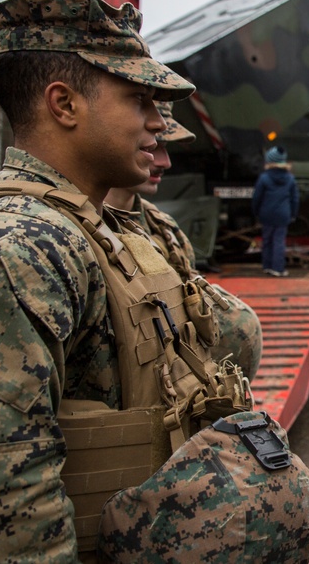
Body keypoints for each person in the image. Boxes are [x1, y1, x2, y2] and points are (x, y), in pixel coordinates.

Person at [0, 0, 309, 562]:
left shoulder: (86, 230)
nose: (158, 123)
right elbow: (1, 514)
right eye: (139, 99)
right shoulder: (13, 247)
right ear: (64, 103)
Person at [104, 101, 264, 379]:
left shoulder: (164, 229)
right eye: (152, 148)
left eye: (165, 148)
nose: (165, 162)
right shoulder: (74, 232)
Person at [252, 145, 299, 276]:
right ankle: (278, 269)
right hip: (283, 214)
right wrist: (293, 214)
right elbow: (295, 199)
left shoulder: (264, 178)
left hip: (266, 213)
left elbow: (257, 197)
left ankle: (267, 266)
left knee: (267, 240)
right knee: (279, 241)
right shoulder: (290, 178)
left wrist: (255, 212)